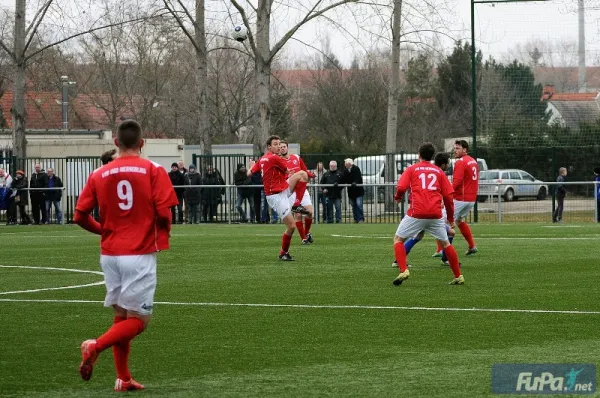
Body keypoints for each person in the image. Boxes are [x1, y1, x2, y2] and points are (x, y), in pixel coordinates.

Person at [73, 119, 178, 392]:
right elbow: (166, 213)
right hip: (139, 253)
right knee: (139, 321)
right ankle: (95, 346)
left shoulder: (99, 174)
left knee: (122, 316)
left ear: (116, 143)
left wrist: (103, 231)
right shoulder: (154, 170)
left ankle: (124, 378)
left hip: (110, 255)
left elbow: (79, 216)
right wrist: (164, 229)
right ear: (142, 143)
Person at [392, 142, 464, 286]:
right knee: (446, 244)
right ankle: (458, 276)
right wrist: (450, 218)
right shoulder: (439, 172)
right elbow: (449, 198)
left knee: (398, 239)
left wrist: (398, 197)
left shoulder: (412, 169)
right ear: (432, 156)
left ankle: (403, 269)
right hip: (436, 215)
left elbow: (401, 187)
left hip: (416, 213)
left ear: (419, 155)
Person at [248, 135, 310, 261]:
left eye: (279, 144)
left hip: (283, 190)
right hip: (275, 196)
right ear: (269, 147)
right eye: (275, 144)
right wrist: (289, 171)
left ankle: (296, 203)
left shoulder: (262, 159)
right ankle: (283, 253)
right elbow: (287, 171)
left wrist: (251, 166)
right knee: (291, 227)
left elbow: (249, 173)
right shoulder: (274, 158)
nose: (278, 146)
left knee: (302, 175)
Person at [279, 140, 315, 244]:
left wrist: (310, 174)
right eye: (280, 147)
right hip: (291, 191)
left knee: (310, 212)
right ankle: (303, 238)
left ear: (287, 147)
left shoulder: (296, 157)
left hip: (302, 189)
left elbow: (304, 170)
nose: (282, 148)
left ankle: (307, 233)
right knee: (298, 215)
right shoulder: (278, 161)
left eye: (284, 146)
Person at [452, 140, 478, 256]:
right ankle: (472, 246)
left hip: (460, 199)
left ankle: (444, 253)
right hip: (471, 199)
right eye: (455, 148)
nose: (455, 150)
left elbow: (457, 182)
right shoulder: (473, 161)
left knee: (444, 222)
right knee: (458, 221)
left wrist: (448, 193)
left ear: (465, 150)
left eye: (458, 148)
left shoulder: (460, 162)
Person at [342, 158, 365, 223]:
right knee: (353, 206)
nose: (345, 165)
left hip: (358, 191)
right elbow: (343, 179)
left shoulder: (356, 169)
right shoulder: (345, 170)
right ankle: (355, 219)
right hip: (351, 192)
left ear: (349, 164)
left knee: (359, 205)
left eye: (346, 163)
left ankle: (361, 218)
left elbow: (358, 178)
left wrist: (355, 182)